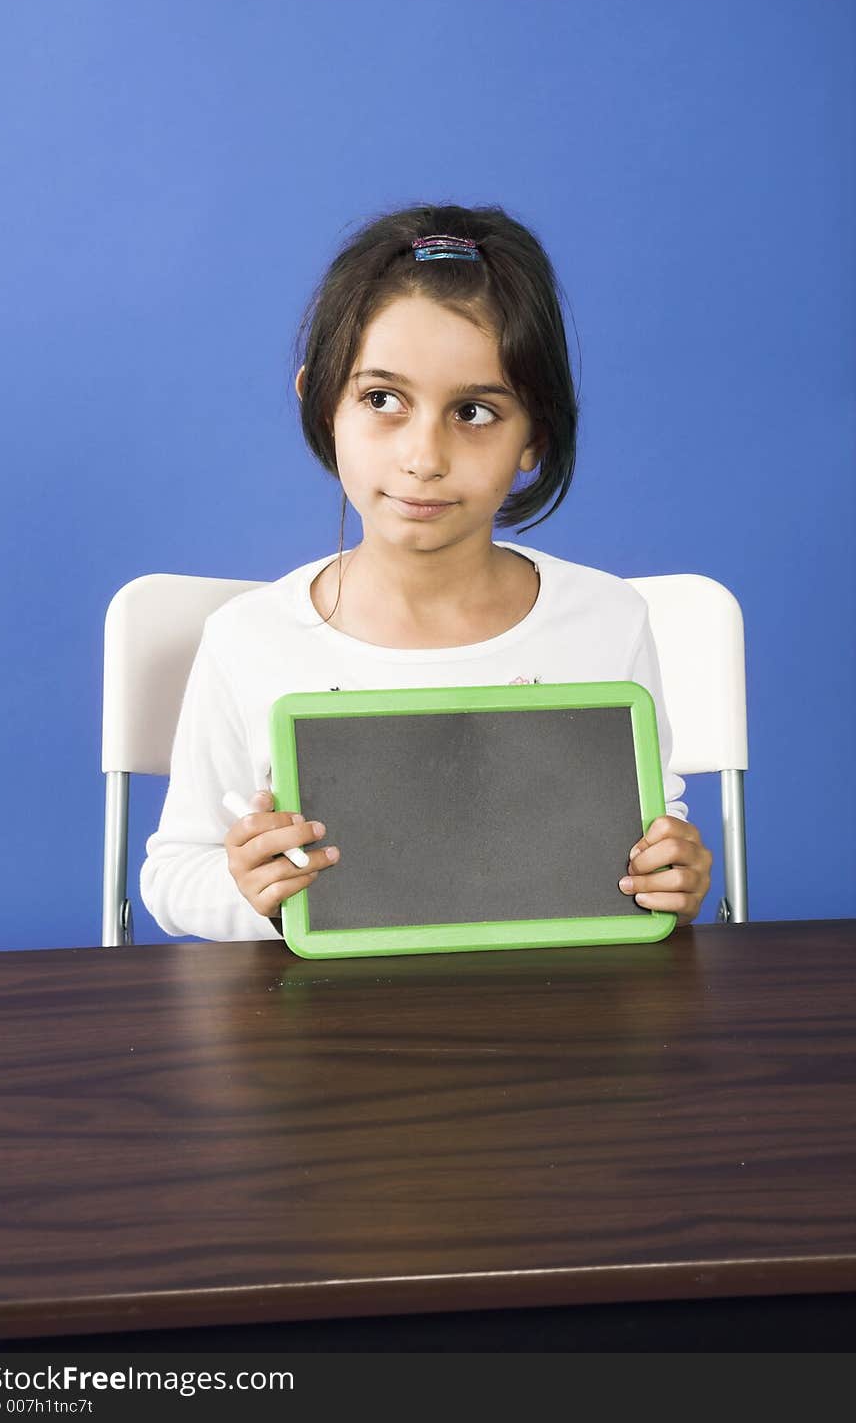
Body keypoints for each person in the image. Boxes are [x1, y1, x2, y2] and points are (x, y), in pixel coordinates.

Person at [140, 204, 712, 942]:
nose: (424, 457)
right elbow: (173, 874)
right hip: (327, 1037)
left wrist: (672, 875)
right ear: (323, 405)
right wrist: (250, 890)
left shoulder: (606, 618)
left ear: (534, 435)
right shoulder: (248, 639)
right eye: (382, 400)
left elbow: (654, 842)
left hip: (554, 1020)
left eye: (473, 411)